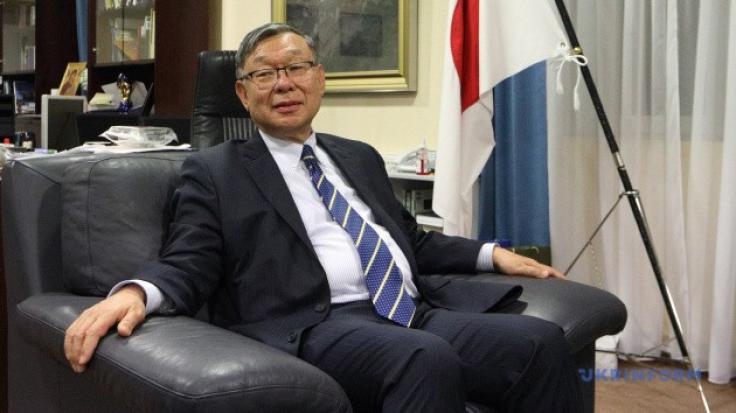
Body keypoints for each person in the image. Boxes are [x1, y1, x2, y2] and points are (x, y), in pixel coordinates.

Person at [64, 23, 583, 412]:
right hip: (312, 321)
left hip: (407, 310)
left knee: (539, 342)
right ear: (243, 93)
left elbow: (411, 242)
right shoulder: (215, 170)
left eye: (296, 68)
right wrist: (137, 293)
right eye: (264, 74)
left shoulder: (358, 155)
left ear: (319, 78)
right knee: (423, 357)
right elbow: (189, 260)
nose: (283, 84)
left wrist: (492, 255)